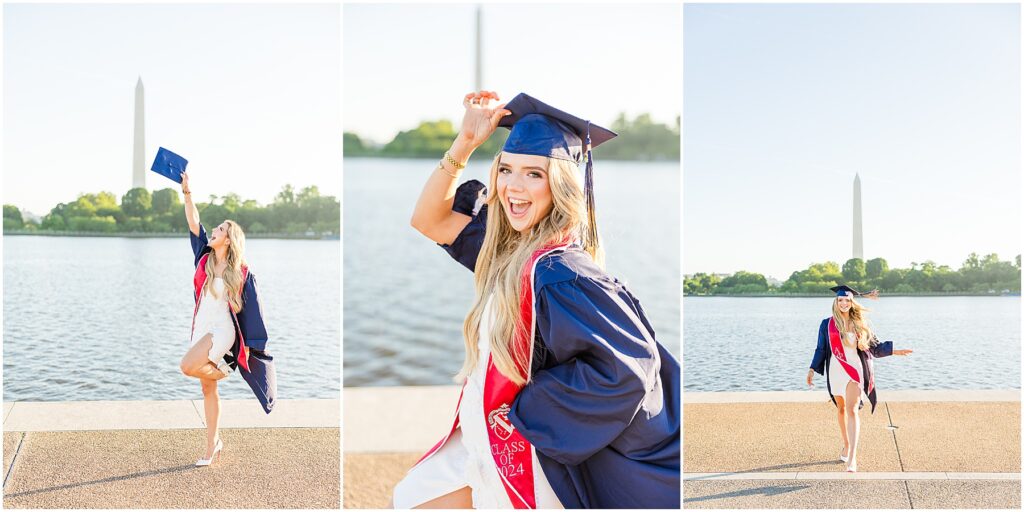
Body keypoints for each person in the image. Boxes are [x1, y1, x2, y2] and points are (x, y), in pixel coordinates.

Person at [395, 91, 680, 509]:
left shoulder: (560, 273)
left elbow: (628, 370)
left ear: (560, 186)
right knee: (414, 498)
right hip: (481, 434)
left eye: (534, 174)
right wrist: (466, 142)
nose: (513, 186)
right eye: (506, 169)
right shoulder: (510, 252)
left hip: (521, 443)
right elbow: (429, 220)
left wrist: (521, 412)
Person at [178, 171, 277, 467]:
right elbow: (194, 223)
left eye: (220, 229)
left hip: (222, 330)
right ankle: (213, 445)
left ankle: (226, 369)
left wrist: (252, 348)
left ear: (229, 239)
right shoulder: (204, 258)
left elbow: (254, 312)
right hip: (201, 326)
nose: (214, 231)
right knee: (207, 388)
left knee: (187, 366)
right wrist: (187, 193)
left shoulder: (242, 273)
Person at [807, 285, 912, 472]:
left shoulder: (860, 324)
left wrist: (895, 351)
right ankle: (846, 444)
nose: (844, 303)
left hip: (854, 371)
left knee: (852, 410)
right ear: (836, 302)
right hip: (835, 371)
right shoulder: (827, 324)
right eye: (840, 300)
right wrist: (812, 369)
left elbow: (876, 348)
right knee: (841, 410)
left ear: (852, 302)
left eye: (847, 300)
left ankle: (852, 457)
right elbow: (821, 349)